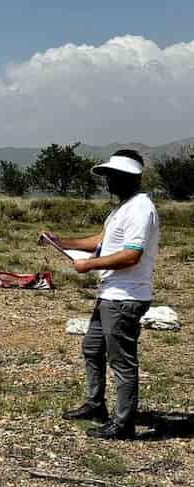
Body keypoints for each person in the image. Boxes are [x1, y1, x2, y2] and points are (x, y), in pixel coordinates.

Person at [42, 150, 159, 440]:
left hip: (125, 297)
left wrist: (88, 265)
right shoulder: (122, 208)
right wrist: (62, 242)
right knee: (93, 347)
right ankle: (96, 405)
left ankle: (123, 424)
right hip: (110, 294)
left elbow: (131, 255)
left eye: (113, 177)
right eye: (108, 177)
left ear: (130, 178)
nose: (108, 183)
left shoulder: (140, 210)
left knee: (122, 362)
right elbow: (100, 241)